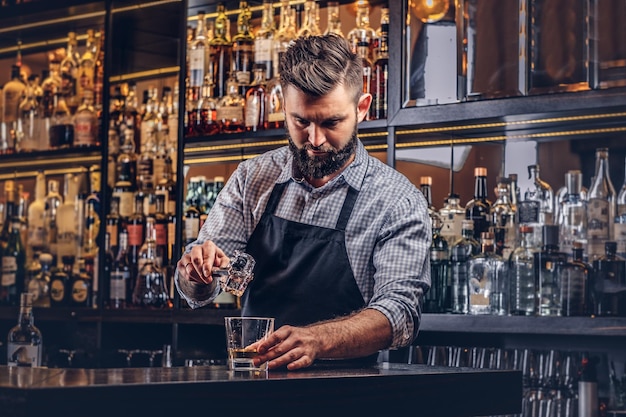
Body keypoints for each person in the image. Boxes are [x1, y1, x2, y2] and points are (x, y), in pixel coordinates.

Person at [176, 34, 431, 371]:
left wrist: (317, 340)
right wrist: (195, 272)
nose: (314, 140)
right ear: (284, 105)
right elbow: (200, 290)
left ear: (362, 109)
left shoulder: (396, 201)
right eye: (301, 121)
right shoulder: (252, 178)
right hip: (255, 385)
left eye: (331, 122)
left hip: (351, 394)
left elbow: (400, 315)